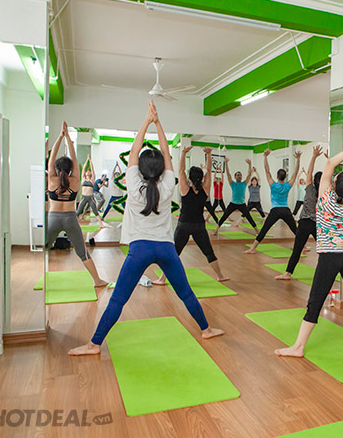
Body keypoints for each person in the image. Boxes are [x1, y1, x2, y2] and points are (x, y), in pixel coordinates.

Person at [68, 101, 223, 356]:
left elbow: (134, 150)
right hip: (166, 249)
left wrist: (147, 121)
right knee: (185, 293)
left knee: (118, 299)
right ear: (162, 168)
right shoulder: (168, 185)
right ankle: (206, 329)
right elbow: (166, 152)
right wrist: (158, 123)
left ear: (139, 169)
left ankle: (94, 344)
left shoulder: (132, 183)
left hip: (139, 250)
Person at [275, 138, 343, 358]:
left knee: (314, 302)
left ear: (334, 183)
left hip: (329, 257)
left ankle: (298, 347)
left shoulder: (324, 197)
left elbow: (331, 162)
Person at [154, 145, 228, 284]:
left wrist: (183, 153)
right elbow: (209, 172)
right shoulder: (205, 190)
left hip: (184, 225)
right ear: (201, 178)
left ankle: (162, 278)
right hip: (199, 226)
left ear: (190, 178)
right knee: (209, 252)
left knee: (174, 253)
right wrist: (209, 154)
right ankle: (220, 275)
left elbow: (181, 170)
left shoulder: (185, 189)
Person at [46, 121, 107, 288]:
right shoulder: (74, 180)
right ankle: (97, 280)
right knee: (82, 252)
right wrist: (68, 138)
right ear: (71, 169)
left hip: (53, 218)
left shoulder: (52, 179)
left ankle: (36, 278)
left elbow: (51, 159)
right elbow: (74, 158)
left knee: (43, 249)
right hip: (70, 219)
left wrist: (60, 137)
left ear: (56, 168)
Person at [275, 145, 324, 280]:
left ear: (314, 180)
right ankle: (328, 273)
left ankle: (288, 273)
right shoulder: (325, 192)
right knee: (324, 250)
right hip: (317, 224)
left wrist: (314, 156)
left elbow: (309, 172)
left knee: (297, 250)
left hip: (304, 223)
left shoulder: (309, 189)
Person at [244, 149, 301, 254]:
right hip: (286, 210)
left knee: (264, 229)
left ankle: (252, 248)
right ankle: (304, 246)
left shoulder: (273, 185)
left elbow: (267, 171)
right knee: (295, 229)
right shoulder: (288, 185)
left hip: (275, 210)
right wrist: (298, 159)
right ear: (285, 177)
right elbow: (295, 173)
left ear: (277, 176)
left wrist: (265, 157)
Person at [213, 158, 259, 235]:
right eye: (238, 175)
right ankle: (216, 230)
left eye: (240, 175)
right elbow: (228, 174)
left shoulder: (244, 183)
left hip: (242, 204)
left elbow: (249, 175)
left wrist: (250, 164)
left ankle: (257, 230)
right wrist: (226, 163)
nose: (239, 176)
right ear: (235, 177)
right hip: (233, 203)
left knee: (249, 217)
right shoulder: (232, 183)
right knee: (224, 216)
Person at [76, 155, 106, 223]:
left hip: (90, 197)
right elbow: (83, 169)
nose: (88, 172)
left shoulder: (92, 179)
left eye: (89, 171)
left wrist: (90, 161)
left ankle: (101, 224)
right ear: (85, 173)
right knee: (78, 211)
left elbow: (93, 170)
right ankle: (74, 223)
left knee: (95, 211)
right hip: (84, 197)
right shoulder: (83, 179)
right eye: (87, 171)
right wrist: (87, 160)